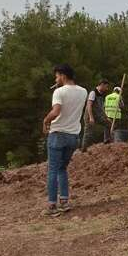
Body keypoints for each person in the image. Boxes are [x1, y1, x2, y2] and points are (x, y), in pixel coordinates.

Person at [41, 63, 87, 216]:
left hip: (58, 134)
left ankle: (52, 205)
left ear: (63, 75)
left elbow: (56, 111)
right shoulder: (83, 91)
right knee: (62, 168)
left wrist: (46, 121)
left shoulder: (59, 92)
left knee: (53, 169)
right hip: (73, 136)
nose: (56, 78)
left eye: (57, 76)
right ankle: (65, 201)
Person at [83, 79, 111, 150]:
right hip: (90, 115)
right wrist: (91, 117)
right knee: (89, 132)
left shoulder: (101, 95)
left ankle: (107, 141)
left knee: (108, 124)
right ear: (102, 85)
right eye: (106, 87)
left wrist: (106, 117)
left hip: (97, 115)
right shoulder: (93, 92)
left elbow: (101, 108)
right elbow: (89, 105)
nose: (107, 89)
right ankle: (84, 149)